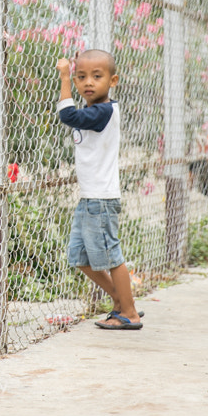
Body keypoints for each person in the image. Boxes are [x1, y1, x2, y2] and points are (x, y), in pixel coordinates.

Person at [55, 49, 143, 330]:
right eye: (81, 77)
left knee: (111, 257)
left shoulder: (102, 111)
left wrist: (65, 76)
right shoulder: (94, 111)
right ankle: (119, 300)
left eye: (96, 76)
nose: (88, 83)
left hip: (101, 199)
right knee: (80, 257)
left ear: (113, 80)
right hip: (89, 198)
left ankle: (129, 312)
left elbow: (67, 114)